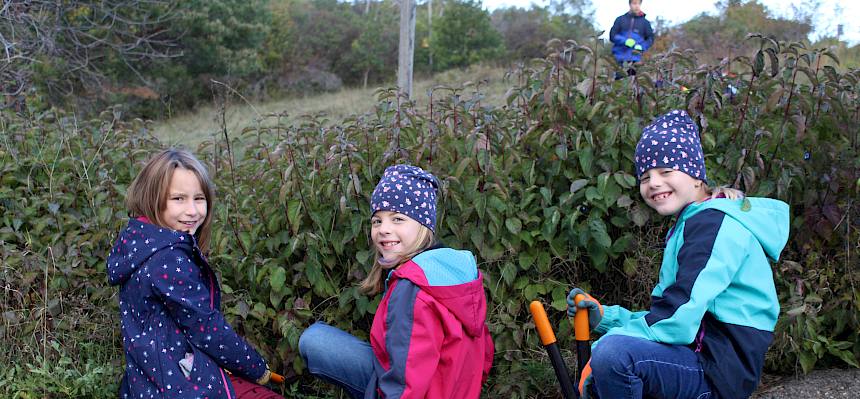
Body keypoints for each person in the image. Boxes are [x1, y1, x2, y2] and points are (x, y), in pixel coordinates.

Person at [568, 110, 789, 399]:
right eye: (645, 176)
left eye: (666, 171)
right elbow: (672, 315)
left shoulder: (712, 225)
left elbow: (678, 321)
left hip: (716, 374)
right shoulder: (694, 222)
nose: (654, 183)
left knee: (614, 357)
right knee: (613, 359)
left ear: (697, 177)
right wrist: (608, 319)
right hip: (698, 358)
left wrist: (602, 348)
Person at [298, 164, 494, 398]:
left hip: (420, 391)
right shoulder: (455, 270)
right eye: (377, 221)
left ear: (424, 226)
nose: (384, 229)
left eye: (398, 218)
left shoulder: (411, 289)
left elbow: (407, 376)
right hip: (456, 390)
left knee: (315, 341)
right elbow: (485, 352)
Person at [107, 149, 282, 399]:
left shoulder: (141, 240)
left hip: (149, 378)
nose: (192, 211)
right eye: (178, 199)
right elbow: (205, 327)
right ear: (152, 198)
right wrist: (257, 369)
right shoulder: (167, 258)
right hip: (180, 383)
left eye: (199, 198)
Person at [609, 0, 654, 80]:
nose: (636, 6)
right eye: (634, 3)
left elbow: (650, 39)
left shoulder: (645, 23)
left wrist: (642, 46)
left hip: (636, 60)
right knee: (618, 84)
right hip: (620, 59)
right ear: (630, 4)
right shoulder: (620, 19)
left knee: (634, 84)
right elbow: (612, 36)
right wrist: (624, 41)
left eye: (638, 3)